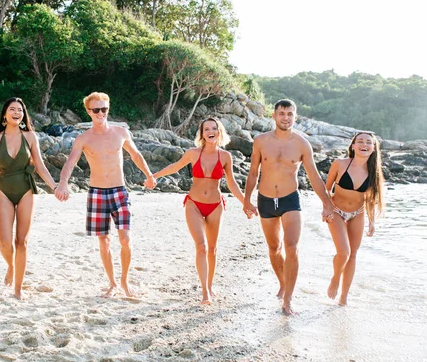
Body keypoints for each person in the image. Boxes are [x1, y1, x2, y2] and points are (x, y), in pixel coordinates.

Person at [54, 92, 156, 298]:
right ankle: (112, 283)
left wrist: (149, 175)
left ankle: (125, 282)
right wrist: (63, 184)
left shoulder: (120, 133)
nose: (101, 113)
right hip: (97, 193)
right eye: (96, 110)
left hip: (120, 191)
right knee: (104, 241)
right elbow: (70, 162)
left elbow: (136, 155)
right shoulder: (83, 139)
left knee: (125, 239)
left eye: (104, 109)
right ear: (88, 111)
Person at [243, 99, 334, 315]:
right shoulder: (261, 141)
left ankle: (288, 299)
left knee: (291, 247)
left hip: (290, 199)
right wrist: (247, 199)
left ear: (295, 117)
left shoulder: (302, 144)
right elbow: (254, 172)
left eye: (290, 114)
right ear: (273, 116)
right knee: (274, 249)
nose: (286, 117)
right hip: (265, 199)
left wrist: (327, 204)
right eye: (282, 113)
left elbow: (313, 176)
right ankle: (282, 283)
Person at [152, 117, 250, 304]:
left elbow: (232, 183)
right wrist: (153, 176)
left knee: (212, 250)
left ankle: (210, 286)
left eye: (214, 128)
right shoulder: (192, 153)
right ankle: (204, 291)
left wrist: (246, 203)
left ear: (219, 132)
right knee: (201, 246)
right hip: (194, 204)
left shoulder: (226, 157)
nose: (210, 131)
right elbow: (175, 167)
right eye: (206, 129)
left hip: (215, 206)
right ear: (202, 133)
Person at [0, 97, 57, 299]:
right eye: (12, 109)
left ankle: (18, 288)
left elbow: (40, 166)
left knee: (22, 242)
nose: (16, 112)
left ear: (23, 114)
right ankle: (11, 266)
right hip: (3, 190)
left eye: (20, 109)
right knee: (4, 242)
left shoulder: (30, 137)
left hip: (26, 189)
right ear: (4, 114)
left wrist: (55, 186)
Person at [324, 131, 384, 306]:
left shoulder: (374, 172)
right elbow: (326, 189)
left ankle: (343, 298)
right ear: (353, 146)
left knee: (352, 255)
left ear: (373, 149)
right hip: (336, 211)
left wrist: (372, 221)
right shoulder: (340, 164)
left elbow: (371, 200)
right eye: (360, 141)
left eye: (368, 142)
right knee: (344, 252)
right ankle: (335, 279)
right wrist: (326, 208)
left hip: (357, 213)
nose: (364, 144)